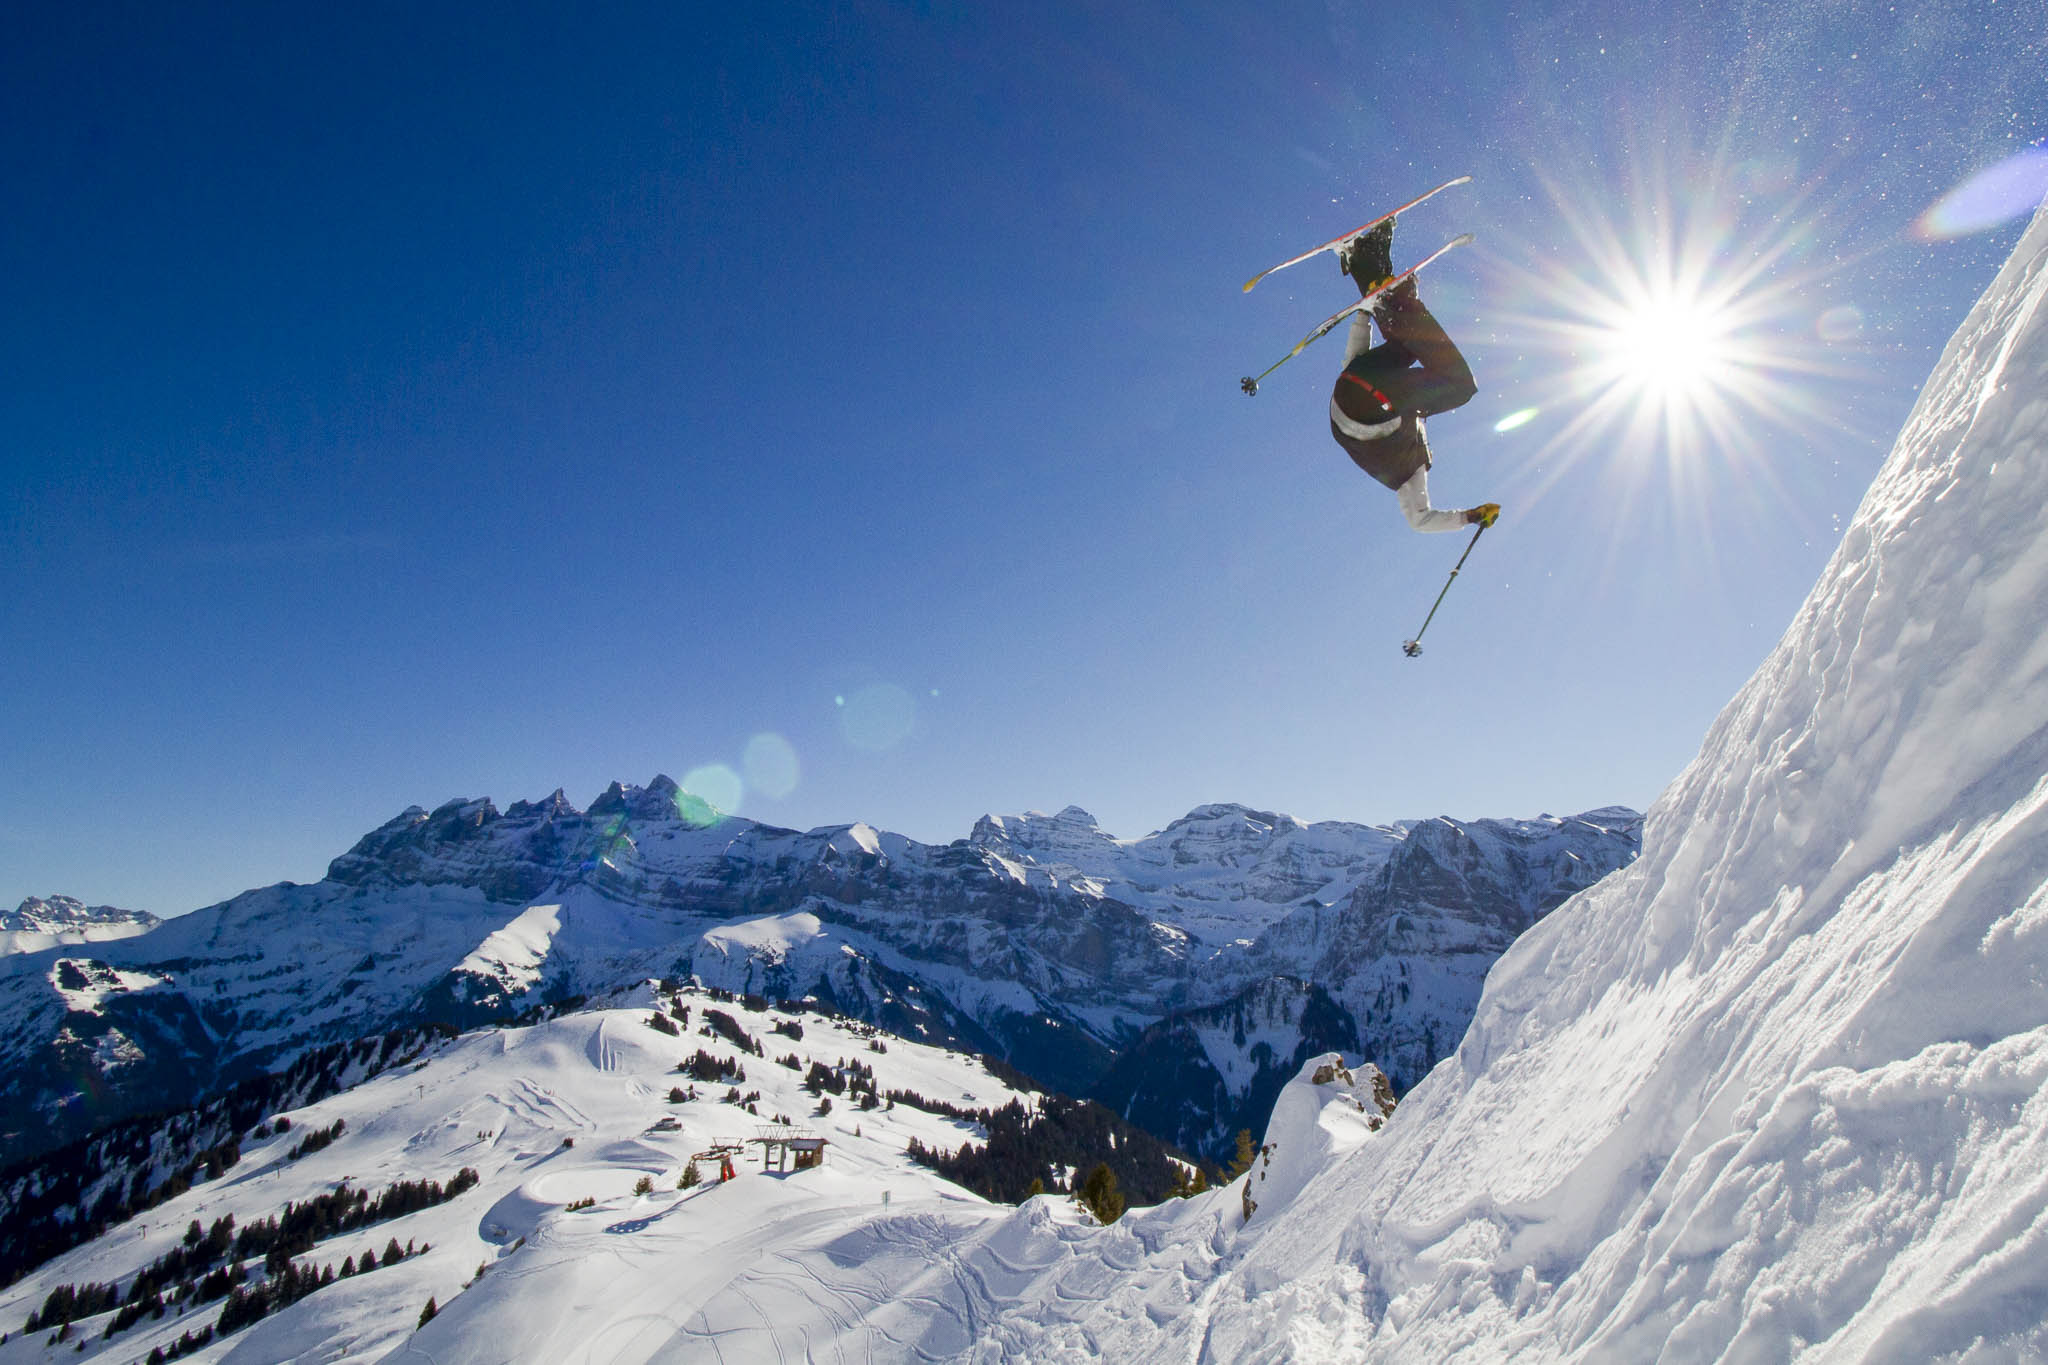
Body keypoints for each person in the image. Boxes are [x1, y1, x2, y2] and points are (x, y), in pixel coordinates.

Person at [1329, 219, 1498, 533]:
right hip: (1351, 392)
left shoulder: (1409, 473)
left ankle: (1397, 298)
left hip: (1365, 406)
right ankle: (1362, 261)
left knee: (1461, 387)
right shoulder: (1405, 425)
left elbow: (1420, 520)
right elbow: (1353, 369)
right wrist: (1363, 312)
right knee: (1407, 348)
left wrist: (1471, 517)